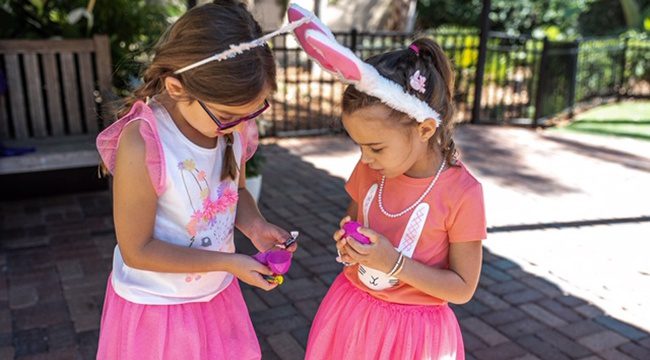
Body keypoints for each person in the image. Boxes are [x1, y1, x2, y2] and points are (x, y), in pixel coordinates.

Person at [95, 2, 303, 358]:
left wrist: (254, 226)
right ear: (177, 88)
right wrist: (227, 262)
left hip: (215, 298)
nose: (240, 126)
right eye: (228, 116)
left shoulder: (230, 126)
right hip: (158, 311)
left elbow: (233, 193)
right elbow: (137, 250)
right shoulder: (144, 142)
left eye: (252, 113)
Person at [287, 5, 487, 359]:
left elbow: (462, 287)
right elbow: (353, 222)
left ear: (425, 129)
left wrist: (393, 263)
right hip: (351, 315)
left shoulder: (463, 194)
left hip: (413, 336)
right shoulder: (371, 170)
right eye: (359, 145)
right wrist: (348, 242)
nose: (365, 158)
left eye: (375, 147)